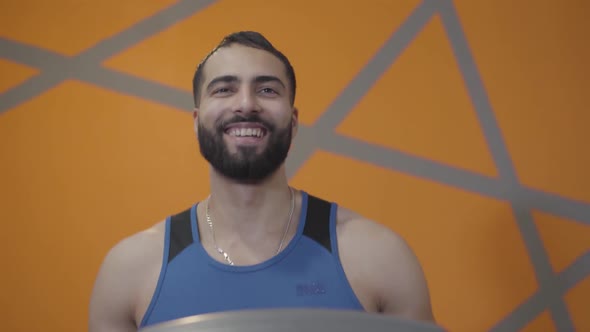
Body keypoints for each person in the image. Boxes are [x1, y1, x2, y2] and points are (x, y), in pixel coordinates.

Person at [88, 31, 436, 332]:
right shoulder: (129, 271)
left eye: (267, 90)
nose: (246, 104)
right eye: (224, 89)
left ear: (294, 120)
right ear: (196, 121)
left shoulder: (379, 257)